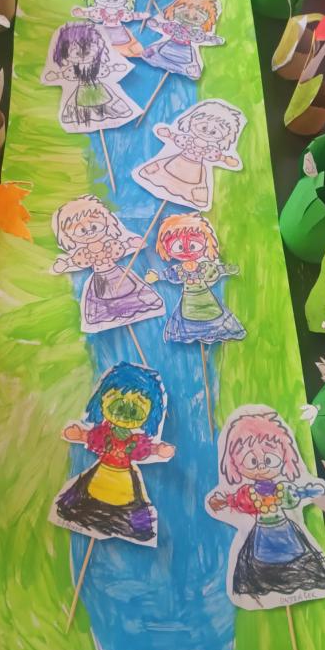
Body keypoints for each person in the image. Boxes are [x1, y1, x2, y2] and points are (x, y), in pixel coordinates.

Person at [207, 409, 325, 600]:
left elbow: (299, 493)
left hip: (286, 533)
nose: (261, 466)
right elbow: (234, 501)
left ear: (284, 454)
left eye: (268, 459)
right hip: (263, 538)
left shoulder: (283, 490)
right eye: (252, 460)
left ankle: (292, 582)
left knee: (295, 563)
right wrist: (222, 501)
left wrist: (311, 491)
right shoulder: (248, 494)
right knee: (263, 568)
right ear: (236, 463)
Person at [52, 363, 174, 545]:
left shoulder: (135, 441)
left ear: (150, 415)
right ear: (102, 400)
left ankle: (128, 525)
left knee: (129, 507)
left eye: (134, 411)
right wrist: (80, 435)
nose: (124, 416)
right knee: (83, 499)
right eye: (117, 406)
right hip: (102, 474)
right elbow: (90, 437)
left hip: (124, 478)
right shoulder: (104, 434)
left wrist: (158, 450)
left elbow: (147, 449)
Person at [52, 195, 164, 332]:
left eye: (94, 226)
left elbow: (122, 247)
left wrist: (131, 243)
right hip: (101, 280)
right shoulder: (84, 253)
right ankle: (116, 315)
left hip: (116, 274)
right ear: (68, 235)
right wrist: (65, 264)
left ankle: (129, 311)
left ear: (106, 220)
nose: (89, 232)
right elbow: (76, 261)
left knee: (129, 294)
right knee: (106, 302)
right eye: (82, 230)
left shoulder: (110, 244)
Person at [146, 213, 245, 344]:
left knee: (213, 318)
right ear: (167, 248)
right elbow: (170, 274)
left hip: (208, 302)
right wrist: (157, 276)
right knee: (190, 321)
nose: (187, 250)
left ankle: (210, 334)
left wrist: (229, 269)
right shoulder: (179, 270)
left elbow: (217, 270)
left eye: (193, 245)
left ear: (206, 242)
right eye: (179, 246)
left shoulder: (204, 267)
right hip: (189, 306)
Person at [72, 0, 149, 57]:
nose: (111, 2)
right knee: (105, 47)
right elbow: (90, 13)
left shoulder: (121, 12)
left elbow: (132, 16)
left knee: (122, 48)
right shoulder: (99, 12)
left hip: (119, 33)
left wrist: (142, 15)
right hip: (105, 32)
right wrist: (82, 13)